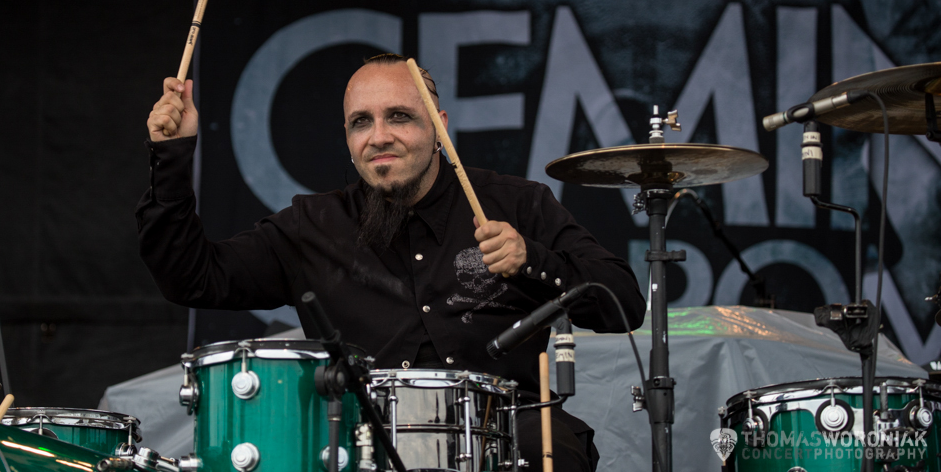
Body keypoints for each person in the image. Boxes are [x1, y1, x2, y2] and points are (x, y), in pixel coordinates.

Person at [138, 53, 646, 471]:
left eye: (399, 116)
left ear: (440, 127)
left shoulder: (517, 204)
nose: (379, 135)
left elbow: (622, 302)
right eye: (361, 122)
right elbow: (193, 278)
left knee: (551, 448)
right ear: (347, 138)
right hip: (364, 438)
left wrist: (532, 260)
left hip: (508, 426)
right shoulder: (311, 225)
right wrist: (172, 157)